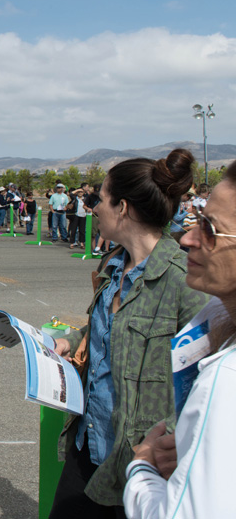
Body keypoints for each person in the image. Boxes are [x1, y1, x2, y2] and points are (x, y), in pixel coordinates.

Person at [50, 149, 210, 518]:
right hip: (89, 445)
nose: (93, 208)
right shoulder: (113, 266)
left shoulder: (184, 280)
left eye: (100, 199)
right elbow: (107, 328)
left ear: (122, 207)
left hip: (144, 465)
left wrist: (173, 437)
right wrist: (72, 341)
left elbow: (210, 375)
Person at [122, 161, 236, 518]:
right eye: (196, 222)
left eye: (210, 229)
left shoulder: (226, 377)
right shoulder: (216, 321)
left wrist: (141, 467)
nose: (187, 238)